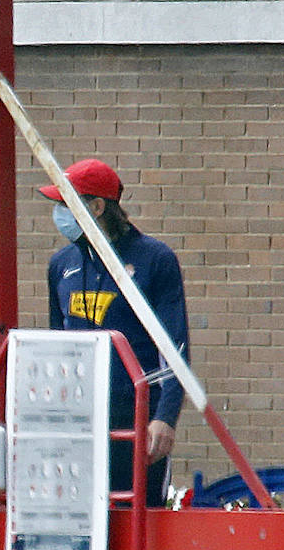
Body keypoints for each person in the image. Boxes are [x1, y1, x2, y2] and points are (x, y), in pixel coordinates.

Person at [41, 158, 190, 508]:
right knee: (81, 519)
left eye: (67, 203)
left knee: (135, 516)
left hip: (135, 414)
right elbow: (55, 341)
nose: (60, 213)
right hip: (78, 414)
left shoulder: (155, 259)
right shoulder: (61, 264)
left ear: (96, 206)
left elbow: (175, 345)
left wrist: (165, 417)